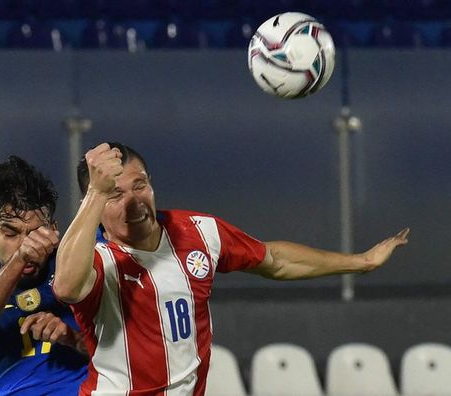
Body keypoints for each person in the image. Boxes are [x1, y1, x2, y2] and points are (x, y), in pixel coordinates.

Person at [52, 142, 410, 396]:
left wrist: (360, 262)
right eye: (115, 195)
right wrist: (96, 193)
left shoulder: (198, 232)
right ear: (95, 203)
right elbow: (66, 287)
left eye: (140, 185)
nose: (133, 201)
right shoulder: (98, 259)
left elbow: (275, 260)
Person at [0, 155, 88, 396]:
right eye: (11, 234)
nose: (28, 244)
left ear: (54, 230)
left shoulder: (76, 271)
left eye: (36, 233)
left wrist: (72, 339)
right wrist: (20, 258)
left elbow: (122, 354)